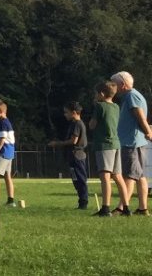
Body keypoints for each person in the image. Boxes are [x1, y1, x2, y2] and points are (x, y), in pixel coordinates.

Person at [111, 71, 152, 215]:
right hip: (136, 141)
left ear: (122, 84)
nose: (113, 87)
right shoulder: (133, 95)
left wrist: (148, 132)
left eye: (115, 84)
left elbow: (140, 116)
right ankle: (142, 208)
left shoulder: (131, 96)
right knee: (140, 176)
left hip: (131, 142)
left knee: (129, 175)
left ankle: (122, 207)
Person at [88, 81, 128, 217]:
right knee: (118, 176)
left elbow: (92, 125)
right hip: (116, 143)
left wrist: (94, 109)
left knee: (105, 176)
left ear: (101, 94)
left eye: (96, 94)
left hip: (104, 144)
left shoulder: (99, 106)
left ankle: (105, 208)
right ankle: (126, 207)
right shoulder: (116, 106)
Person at [49, 101, 88, 210]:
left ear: (74, 112)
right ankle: (81, 201)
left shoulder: (77, 124)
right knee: (75, 179)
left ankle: (83, 202)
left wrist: (57, 144)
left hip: (77, 155)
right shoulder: (74, 123)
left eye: (66, 112)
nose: (65, 114)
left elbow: (73, 141)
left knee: (80, 179)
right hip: (72, 155)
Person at [0, 99, 17, 207]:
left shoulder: (3, 123)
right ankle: (11, 201)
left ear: (0, 111)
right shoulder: (7, 122)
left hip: (3, 152)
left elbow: (2, 140)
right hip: (10, 152)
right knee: (7, 176)